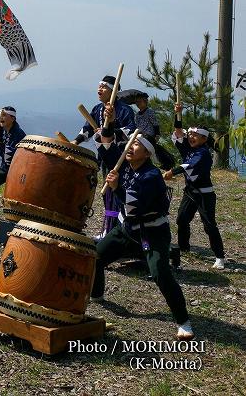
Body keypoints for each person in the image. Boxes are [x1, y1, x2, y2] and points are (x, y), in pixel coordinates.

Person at [91, 132, 194, 340]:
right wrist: (109, 120)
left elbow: (135, 206)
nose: (130, 148)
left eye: (136, 145)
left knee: (160, 273)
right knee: (95, 257)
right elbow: (109, 148)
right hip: (126, 229)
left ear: (147, 153)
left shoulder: (151, 176)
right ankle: (97, 294)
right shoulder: (126, 165)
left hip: (152, 231)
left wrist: (116, 187)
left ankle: (184, 322)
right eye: (129, 144)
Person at [74, 75, 137, 239]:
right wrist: (77, 141)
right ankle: (109, 229)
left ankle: (119, 230)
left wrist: (109, 132)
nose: (99, 89)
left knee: (117, 191)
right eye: (99, 86)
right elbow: (87, 128)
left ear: (113, 91)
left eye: (103, 87)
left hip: (120, 157)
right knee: (107, 193)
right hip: (105, 157)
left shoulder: (124, 110)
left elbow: (130, 131)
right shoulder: (97, 109)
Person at [164, 103, 226, 269]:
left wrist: (172, 171)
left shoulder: (203, 153)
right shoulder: (188, 147)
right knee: (182, 219)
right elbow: (178, 132)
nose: (190, 137)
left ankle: (220, 256)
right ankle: (184, 248)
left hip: (205, 194)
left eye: (195, 135)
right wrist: (178, 114)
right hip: (190, 191)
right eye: (190, 134)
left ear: (204, 139)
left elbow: (188, 166)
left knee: (209, 225)